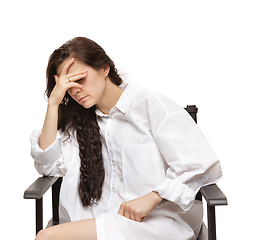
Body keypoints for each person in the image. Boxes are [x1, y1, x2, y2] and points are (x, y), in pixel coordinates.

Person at [30, 37, 222, 240]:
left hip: (153, 224)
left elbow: (200, 165)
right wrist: (53, 103)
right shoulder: (78, 126)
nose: (75, 90)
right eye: (68, 85)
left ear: (104, 69)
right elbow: (47, 167)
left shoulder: (150, 106)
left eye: (79, 79)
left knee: (47, 237)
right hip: (101, 222)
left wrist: (154, 197)